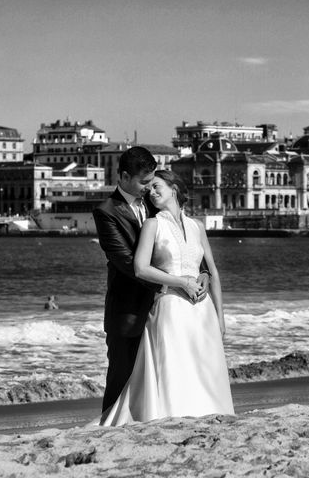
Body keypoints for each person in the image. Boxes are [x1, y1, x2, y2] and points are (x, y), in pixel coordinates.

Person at [99, 170, 233, 425]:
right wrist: (181, 282)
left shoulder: (197, 227)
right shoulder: (153, 224)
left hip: (202, 311)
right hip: (170, 306)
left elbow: (212, 272)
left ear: (174, 189)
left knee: (203, 369)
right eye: (149, 188)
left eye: (157, 186)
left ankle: (209, 415)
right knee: (174, 369)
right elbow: (141, 268)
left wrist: (220, 316)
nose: (152, 191)